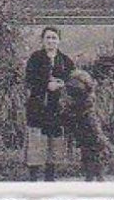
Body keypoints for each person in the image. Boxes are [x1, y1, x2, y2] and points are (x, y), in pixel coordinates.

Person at [23, 27, 75, 181]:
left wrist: (62, 84)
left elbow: (73, 79)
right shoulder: (35, 58)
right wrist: (46, 84)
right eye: (48, 38)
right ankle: (33, 176)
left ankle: (50, 175)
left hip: (56, 107)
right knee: (36, 140)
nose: (51, 41)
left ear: (59, 41)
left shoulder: (65, 60)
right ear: (42, 40)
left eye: (54, 38)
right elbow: (30, 79)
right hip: (38, 105)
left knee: (54, 140)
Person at [60, 67, 109, 181]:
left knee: (93, 147)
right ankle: (93, 173)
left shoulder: (85, 98)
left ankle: (96, 174)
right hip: (83, 122)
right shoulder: (80, 95)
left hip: (87, 122)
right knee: (90, 148)